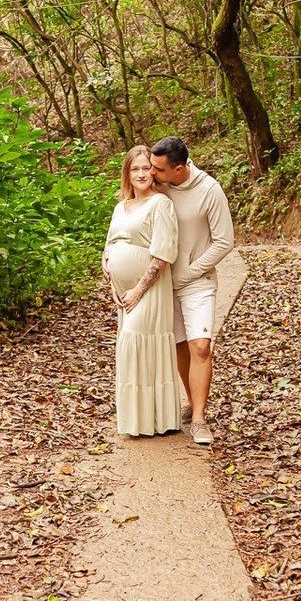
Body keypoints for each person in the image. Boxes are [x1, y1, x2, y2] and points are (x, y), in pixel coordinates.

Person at [148, 136, 234, 446]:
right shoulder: (157, 187)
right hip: (163, 281)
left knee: (201, 346)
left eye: (158, 168)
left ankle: (199, 418)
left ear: (180, 168)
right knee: (180, 346)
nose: (151, 172)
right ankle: (190, 400)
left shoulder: (209, 190)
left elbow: (224, 241)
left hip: (197, 281)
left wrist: (190, 271)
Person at [103, 145, 181, 436]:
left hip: (149, 288)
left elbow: (163, 253)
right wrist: (111, 276)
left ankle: (158, 419)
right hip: (124, 290)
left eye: (146, 167)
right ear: (127, 173)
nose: (141, 174)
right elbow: (110, 245)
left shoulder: (161, 204)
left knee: (137, 342)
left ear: (155, 171)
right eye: (135, 168)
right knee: (129, 348)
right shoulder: (120, 207)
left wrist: (137, 289)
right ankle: (137, 422)